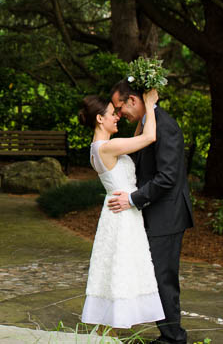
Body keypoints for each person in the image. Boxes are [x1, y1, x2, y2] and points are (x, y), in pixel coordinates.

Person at [107, 80, 194, 344]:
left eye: (119, 108)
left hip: (167, 215)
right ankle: (168, 333)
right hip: (154, 212)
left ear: (133, 100)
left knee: (163, 277)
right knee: (156, 275)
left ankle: (174, 338)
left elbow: (167, 177)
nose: (119, 114)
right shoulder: (147, 123)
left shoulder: (164, 126)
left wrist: (132, 199)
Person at [79, 90, 165, 329]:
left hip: (118, 214)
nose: (117, 117)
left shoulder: (99, 148)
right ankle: (112, 329)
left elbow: (137, 137)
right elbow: (149, 137)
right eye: (112, 114)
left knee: (116, 268)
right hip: (122, 216)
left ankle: (110, 330)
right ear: (99, 119)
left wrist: (140, 116)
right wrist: (149, 104)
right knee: (121, 268)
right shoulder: (108, 147)